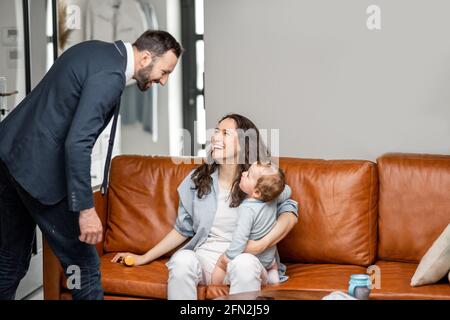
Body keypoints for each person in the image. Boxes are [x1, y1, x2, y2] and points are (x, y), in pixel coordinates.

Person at [0, 30, 182, 300]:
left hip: (9, 158)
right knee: (84, 268)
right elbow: (77, 143)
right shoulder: (110, 77)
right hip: (39, 172)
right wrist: (86, 210)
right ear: (145, 58)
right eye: (165, 72)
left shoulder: (95, 51)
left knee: (10, 258)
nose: (164, 81)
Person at [112, 114, 298, 300]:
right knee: (182, 260)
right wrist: (143, 257)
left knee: (245, 264)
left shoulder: (259, 183)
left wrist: (261, 244)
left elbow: (290, 213)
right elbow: (182, 229)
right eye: (216, 131)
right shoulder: (198, 179)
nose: (215, 137)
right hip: (205, 259)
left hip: (243, 262)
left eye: (225, 133)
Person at [210, 161, 290, 286]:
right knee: (272, 261)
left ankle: (215, 288)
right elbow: (287, 191)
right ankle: (273, 274)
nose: (243, 173)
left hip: (255, 259)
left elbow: (240, 238)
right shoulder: (273, 198)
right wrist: (276, 187)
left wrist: (229, 257)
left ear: (257, 192)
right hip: (269, 259)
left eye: (248, 175)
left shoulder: (247, 209)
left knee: (220, 264)